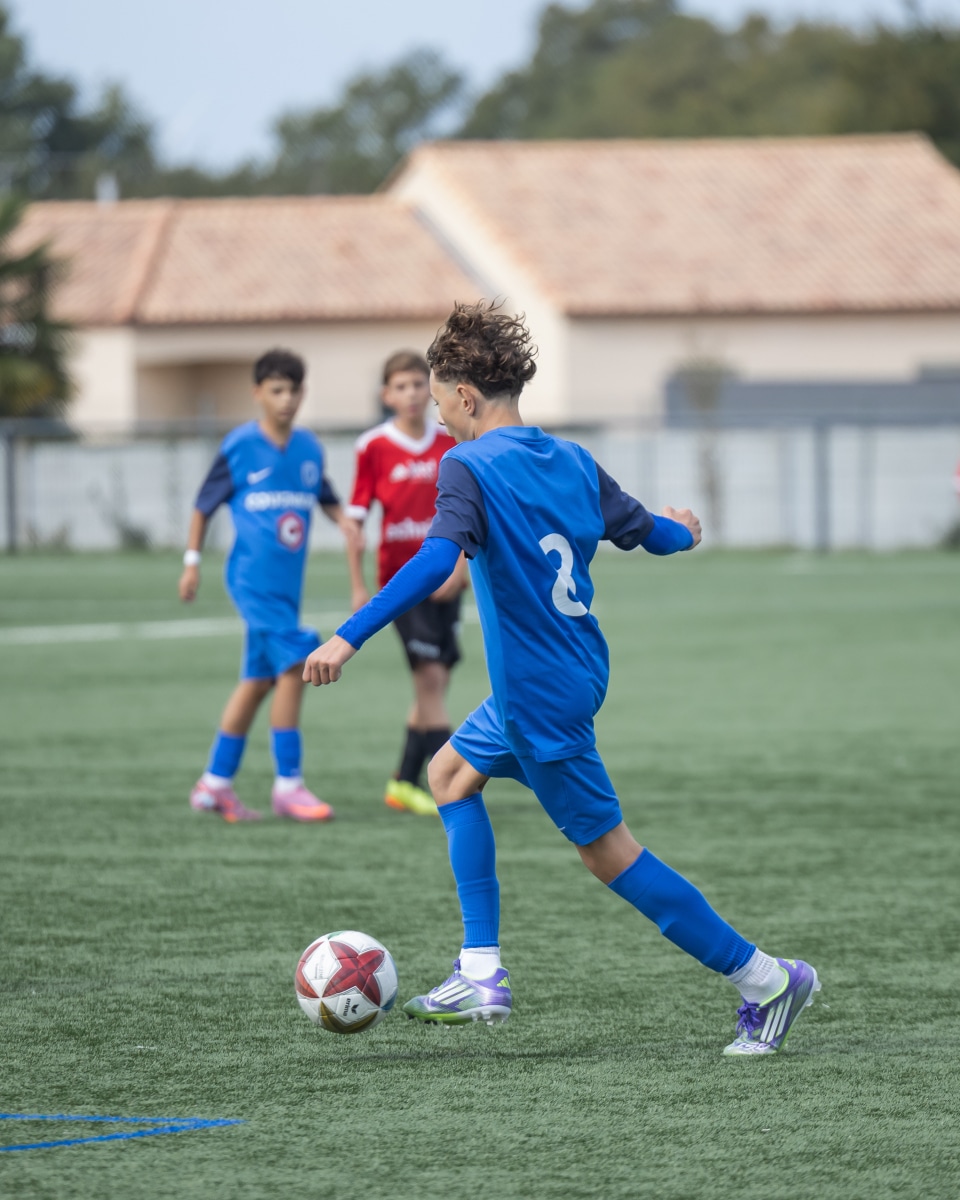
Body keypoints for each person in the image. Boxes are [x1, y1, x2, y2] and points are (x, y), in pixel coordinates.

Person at [303, 304, 820, 1056]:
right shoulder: (572, 459)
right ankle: (479, 971)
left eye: (441, 401)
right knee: (448, 774)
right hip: (570, 671)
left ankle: (766, 980)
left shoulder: (468, 465)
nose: (439, 417)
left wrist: (346, 637)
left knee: (610, 853)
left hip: (539, 695)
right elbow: (648, 532)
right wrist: (684, 531)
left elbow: (435, 559)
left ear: (466, 395)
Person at [180, 348, 357, 823]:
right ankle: (288, 785)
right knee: (299, 661)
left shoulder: (308, 449)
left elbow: (325, 495)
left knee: (258, 682)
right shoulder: (239, 446)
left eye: (294, 391)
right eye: (277, 390)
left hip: (286, 588)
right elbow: (203, 505)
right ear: (257, 393)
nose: (286, 400)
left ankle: (214, 784)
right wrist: (191, 562)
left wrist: (344, 521)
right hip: (251, 582)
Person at [344, 350, 467, 817]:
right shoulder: (373, 446)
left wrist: (460, 568)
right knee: (430, 680)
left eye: (419, 384)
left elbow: (471, 512)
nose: (412, 393)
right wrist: (358, 587)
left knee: (434, 684)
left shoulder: (449, 441)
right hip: (402, 584)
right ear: (386, 395)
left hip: (447, 582)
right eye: (401, 386)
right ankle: (451, 784)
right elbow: (355, 523)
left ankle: (402, 783)